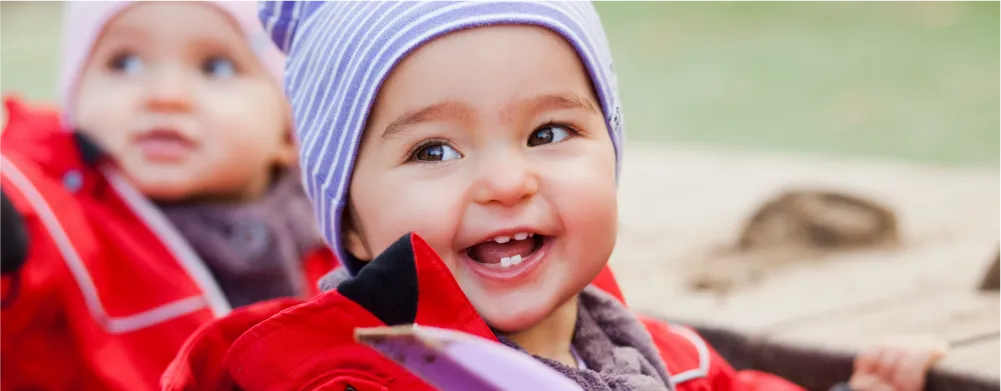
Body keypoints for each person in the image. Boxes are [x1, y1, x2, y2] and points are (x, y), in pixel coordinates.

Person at [161, 1, 947, 390]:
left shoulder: (654, 354)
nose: (508, 181)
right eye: (433, 150)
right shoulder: (349, 375)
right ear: (351, 222)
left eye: (548, 132)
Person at [0, 0, 334, 389]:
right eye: (124, 63)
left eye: (216, 67)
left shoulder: (343, 231)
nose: (165, 95)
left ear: (292, 128)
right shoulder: (58, 218)